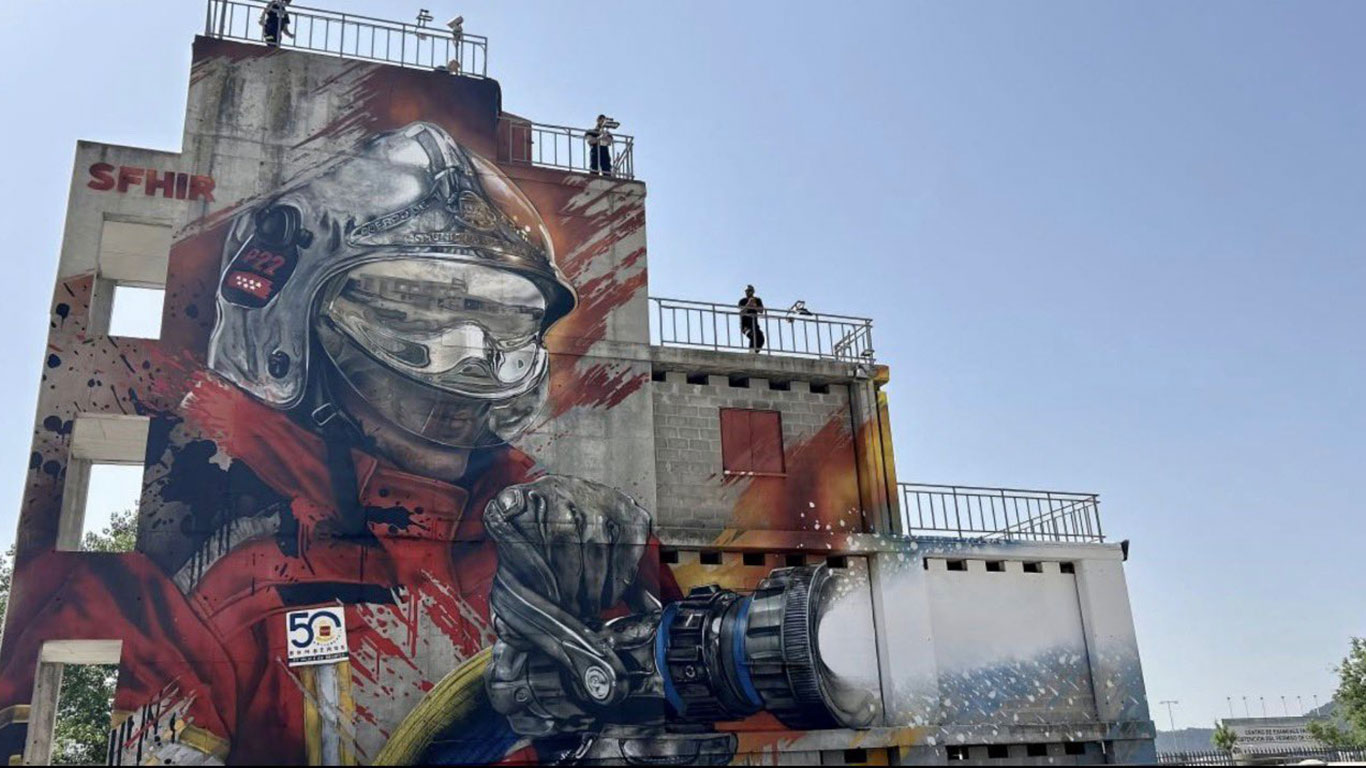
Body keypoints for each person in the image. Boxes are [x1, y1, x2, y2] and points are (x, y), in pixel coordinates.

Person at [738, 284, 765, 351]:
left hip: (754, 325)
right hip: (745, 326)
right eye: (747, 291)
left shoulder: (757, 300)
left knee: (761, 338)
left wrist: (754, 306)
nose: (748, 292)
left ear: (753, 291)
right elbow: (741, 312)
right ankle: (751, 353)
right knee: (753, 336)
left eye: (750, 291)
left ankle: (754, 352)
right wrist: (748, 304)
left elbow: (761, 310)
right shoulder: (742, 301)